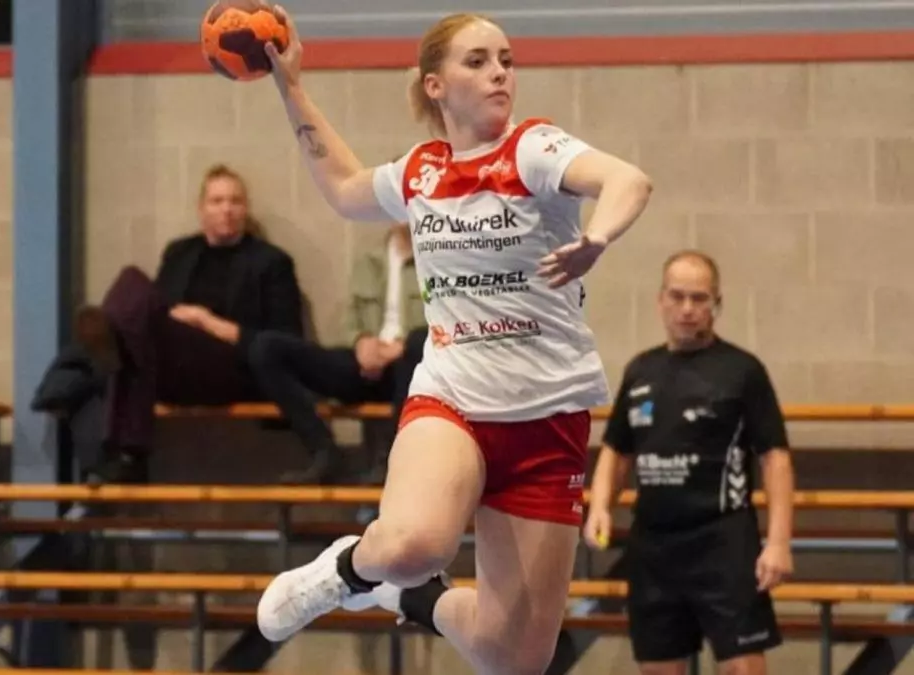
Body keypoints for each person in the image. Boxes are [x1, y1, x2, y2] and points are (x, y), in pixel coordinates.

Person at [252, 10, 654, 675]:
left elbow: (627, 180)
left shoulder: (533, 149)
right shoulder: (421, 172)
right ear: (434, 85)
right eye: (478, 61)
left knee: (514, 657)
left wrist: (597, 238)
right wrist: (290, 85)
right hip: (454, 398)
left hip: (548, 418)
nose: (499, 73)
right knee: (413, 544)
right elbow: (346, 188)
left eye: (506, 60)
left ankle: (412, 599)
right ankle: (347, 569)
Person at [583, 251, 794, 675]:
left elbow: (775, 458)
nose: (687, 308)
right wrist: (601, 507)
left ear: (716, 303)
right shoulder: (641, 370)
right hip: (654, 546)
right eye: (677, 296)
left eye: (699, 298)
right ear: (660, 299)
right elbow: (617, 450)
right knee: (658, 668)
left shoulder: (742, 371)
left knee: (742, 668)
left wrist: (779, 542)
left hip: (724, 542)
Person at [93, 163, 304, 484]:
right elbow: (158, 311)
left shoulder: (272, 263)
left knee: (123, 347)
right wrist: (175, 317)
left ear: (246, 209)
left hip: (231, 368)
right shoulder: (179, 253)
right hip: (176, 362)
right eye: (217, 201)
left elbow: (286, 343)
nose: (226, 209)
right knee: (131, 280)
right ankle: (116, 344)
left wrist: (206, 321)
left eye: (235, 201)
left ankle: (128, 451)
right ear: (201, 209)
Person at [247, 222, 426, 485]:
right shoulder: (371, 258)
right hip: (366, 364)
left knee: (419, 343)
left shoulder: (442, 260)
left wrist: (398, 348)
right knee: (266, 347)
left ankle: (391, 460)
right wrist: (362, 341)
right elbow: (352, 316)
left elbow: (448, 324)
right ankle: (324, 452)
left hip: (412, 368)